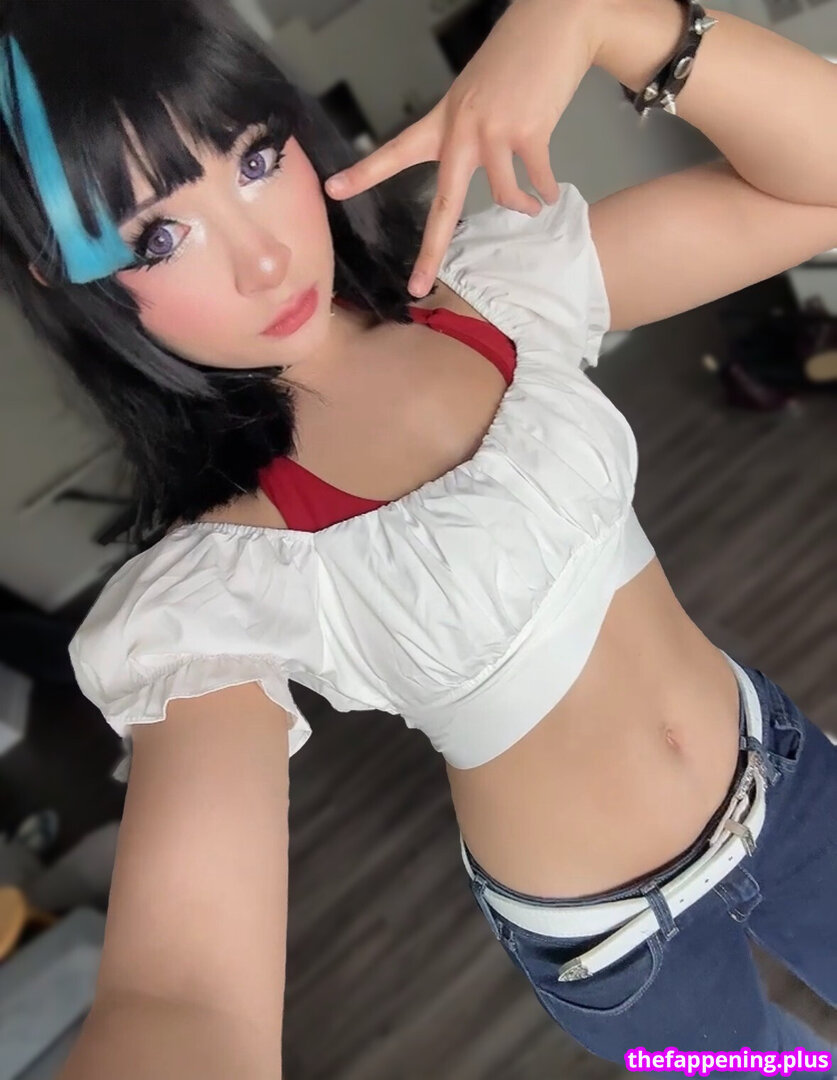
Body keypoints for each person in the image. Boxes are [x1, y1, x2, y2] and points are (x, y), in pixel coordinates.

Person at [1, 0, 835, 1076]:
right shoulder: (217, 580)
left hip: (786, 774)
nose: (264, 259)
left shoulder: (497, 292)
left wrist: (600, 17)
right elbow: (181, 997)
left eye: (254, 158)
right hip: (621, 952)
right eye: (158, 236)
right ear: (67, 282)